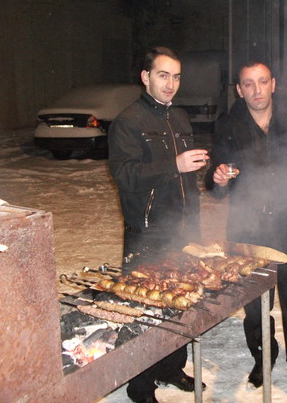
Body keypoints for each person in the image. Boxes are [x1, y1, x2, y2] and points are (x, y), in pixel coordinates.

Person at [205, 61, 287, 403]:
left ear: (273, 84)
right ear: (239, 89)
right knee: (254, 304)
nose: (257, 90)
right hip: (250, 227)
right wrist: (218, 179)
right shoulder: (228, 125)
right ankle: (263, 356)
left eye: (262, 81)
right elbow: (217, 178)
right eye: (248, 84)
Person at [108, 46, 209, 403]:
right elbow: (125, 175)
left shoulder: (179, 117)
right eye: (163, 75)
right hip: (148, 232)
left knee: (179, 303)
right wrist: (173, 165)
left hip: (183, 229)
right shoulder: (128, 121)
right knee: (145, 310)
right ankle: (140, 386)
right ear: (145, 77)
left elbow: (184, 178)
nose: (170, 84)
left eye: (176, 76)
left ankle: (170, 368)